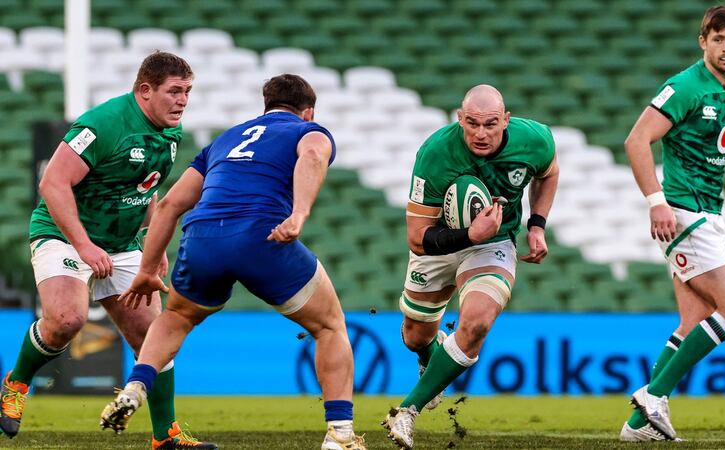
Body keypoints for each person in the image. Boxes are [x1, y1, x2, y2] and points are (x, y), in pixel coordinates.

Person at [99, 74, 366, 450]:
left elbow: (171, 205)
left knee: (174, 318)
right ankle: (340, 434)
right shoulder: (308, 130)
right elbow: (313, 155)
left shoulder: (225, 139)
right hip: (261, 235)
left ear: (266, 106)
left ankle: (136, 384)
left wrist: (147, 268)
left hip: (203, 237)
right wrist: (299, 215)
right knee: (330, 327)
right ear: (307, 111)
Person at [0, 51, 216, 449]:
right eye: (174, 91)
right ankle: (16, 384)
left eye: (187, 91)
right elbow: (52, 183)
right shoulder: (103, 124)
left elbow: (146, 187)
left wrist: (152, 245)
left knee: (156, 339)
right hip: (65, 236)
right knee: (66, 320)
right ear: (145, 90)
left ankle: (164, 437)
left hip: (123, 244)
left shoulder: (171, 130)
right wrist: (83, 245)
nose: (183, 100)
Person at [620, 5, 725, 442]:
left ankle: (639, 427)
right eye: (718, 39)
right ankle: (654, 395)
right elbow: (636, 140)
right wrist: (656, 202)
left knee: (695, 322)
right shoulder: (685, 86)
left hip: (710, 211)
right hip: (682, 211)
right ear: (703, 41)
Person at [382, 85, 559, 449]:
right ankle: (431, 358)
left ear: (506, 120)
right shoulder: (435, 153)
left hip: (494, 242)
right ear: (460, 119)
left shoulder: (536, 139)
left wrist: (537, 225)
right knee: (416, 335)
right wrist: (468, 233)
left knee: (477, 321)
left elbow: (549, 172)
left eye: (491, 124)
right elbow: (416, 236)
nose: (481, 133)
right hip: (440, 240)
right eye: (473, 124)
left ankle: (406, 411)